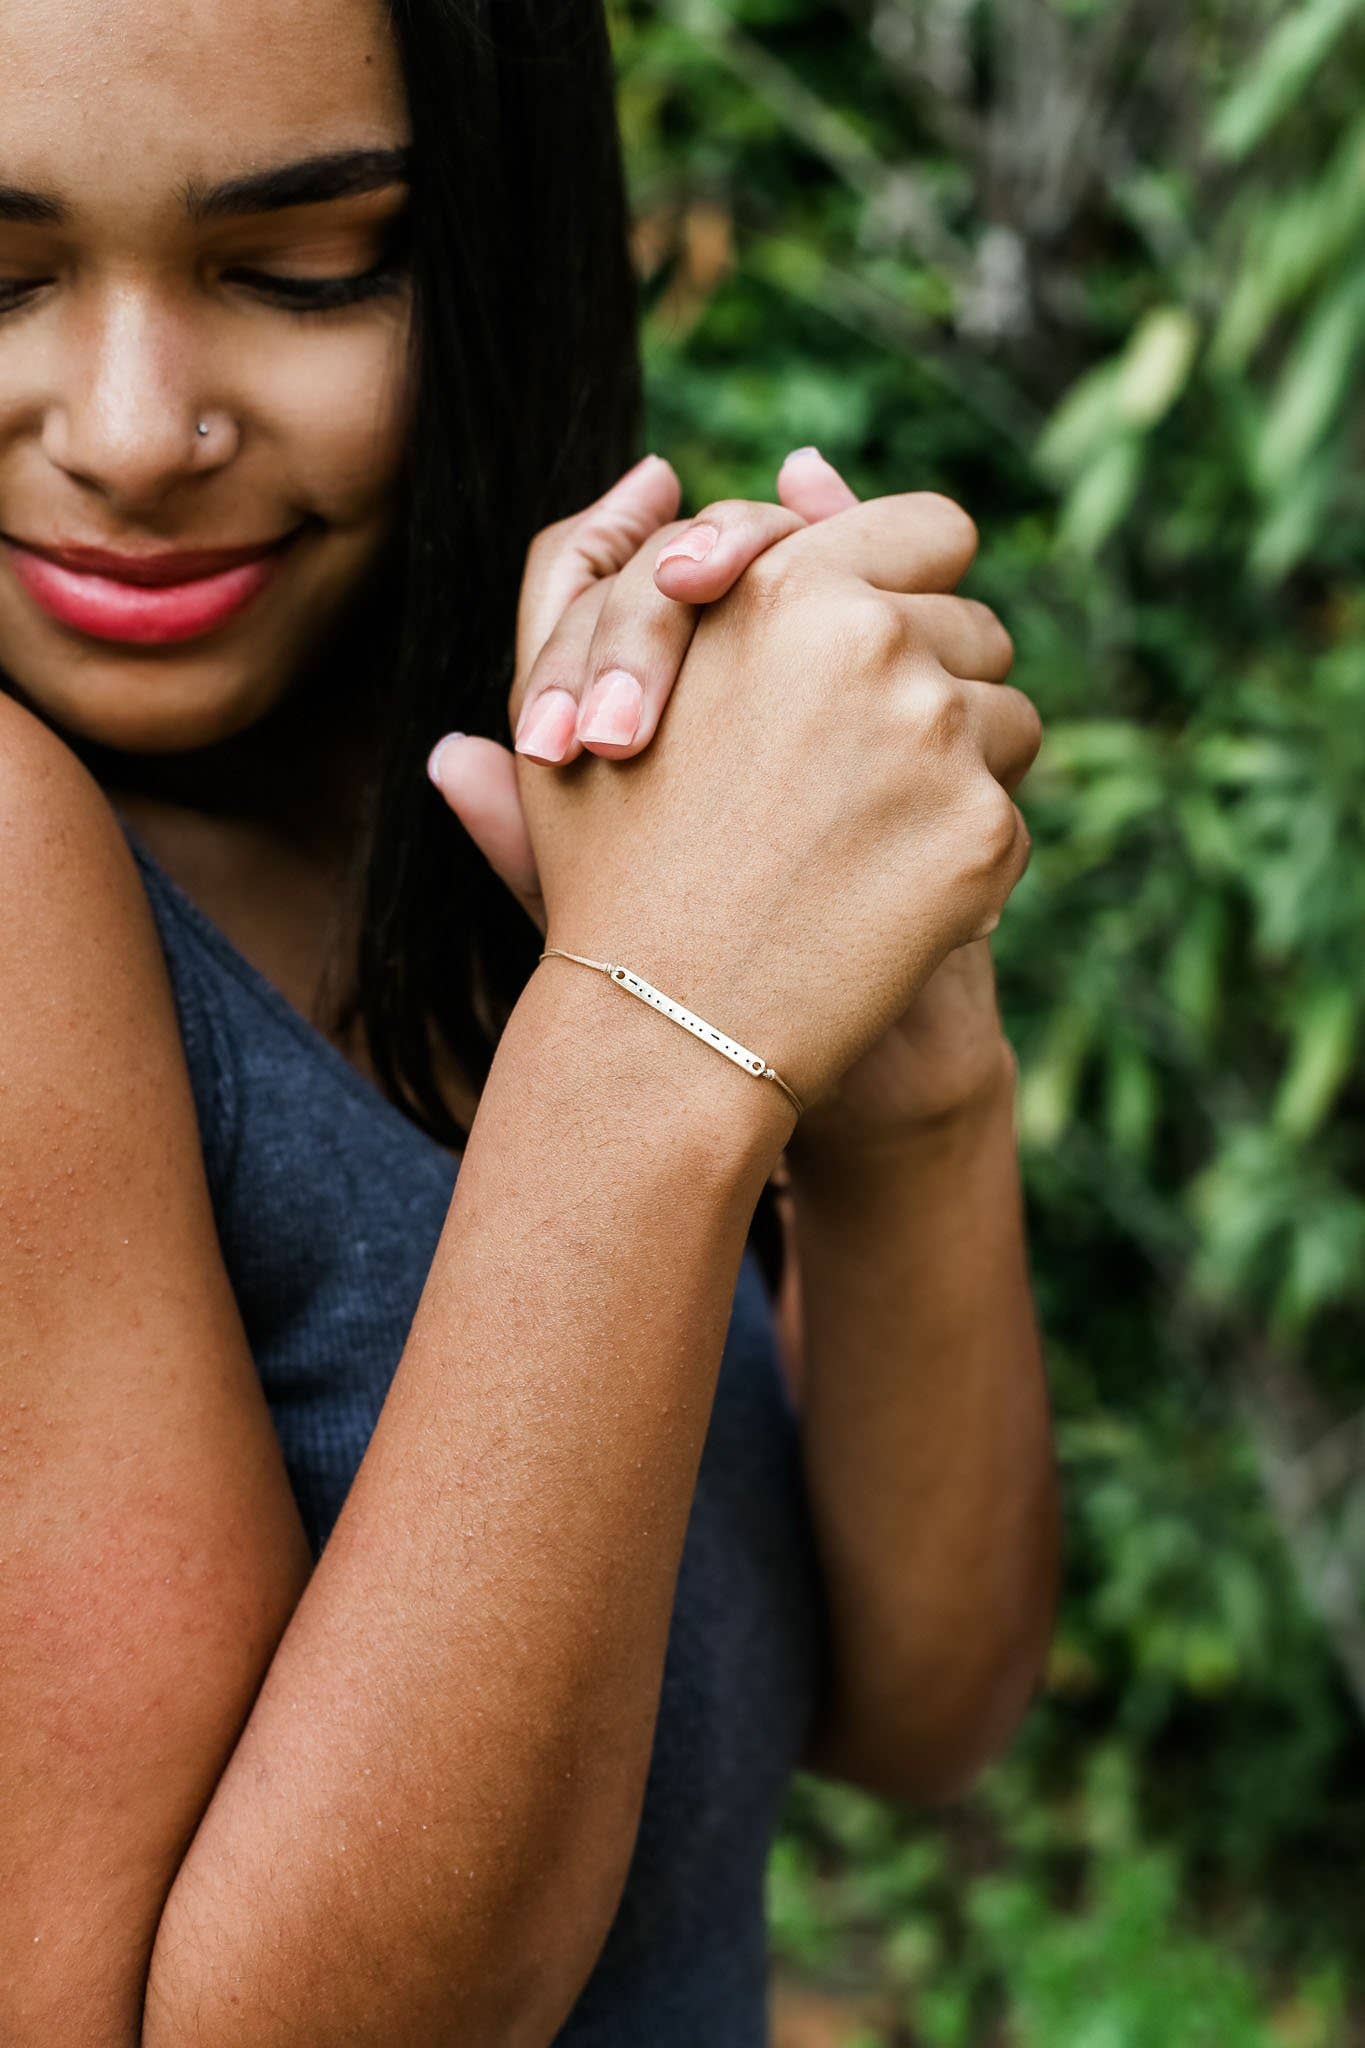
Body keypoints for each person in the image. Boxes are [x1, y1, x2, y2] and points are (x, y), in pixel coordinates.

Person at [0, 0, 1059, 2041]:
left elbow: (913, 1704)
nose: (132, 429)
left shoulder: (490, 804)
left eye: (307, 267)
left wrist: (902, 1082)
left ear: (493, 251)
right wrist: (649, 1051)